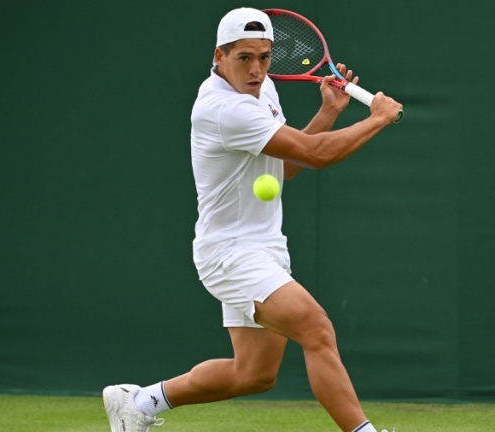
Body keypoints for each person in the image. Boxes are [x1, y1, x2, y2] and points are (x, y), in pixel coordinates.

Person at [103, 7, 403, 432]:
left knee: (254, 374)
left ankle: (139, 403)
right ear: (219, 56)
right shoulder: (224, 109)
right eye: (245, 57)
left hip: (264, 247)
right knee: (316, 328)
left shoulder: (262, 92)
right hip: (230, 253)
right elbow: (316, 155)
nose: (257, 68)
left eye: (264, 57)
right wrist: (376, 118)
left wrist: (328, 115)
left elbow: (289, 165)